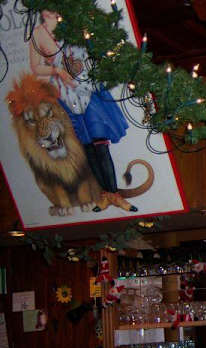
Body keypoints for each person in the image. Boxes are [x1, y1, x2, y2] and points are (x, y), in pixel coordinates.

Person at [29, 10, 135, 212]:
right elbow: (36, 68)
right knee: (87, 146)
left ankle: (114, 194)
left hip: (89, 88)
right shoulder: (38, 34)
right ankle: (106, 195)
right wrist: (57, 71)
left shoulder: (74, 22)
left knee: (100, 142)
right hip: (66, 94)